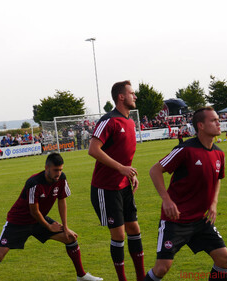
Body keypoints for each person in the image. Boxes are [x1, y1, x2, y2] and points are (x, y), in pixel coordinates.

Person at [0, 153, 102, 281]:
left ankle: (81, 276)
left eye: (60, 170)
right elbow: (34, 211)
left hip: (38, 221)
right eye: (55, 170)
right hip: (18, 221)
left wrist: (65, 227)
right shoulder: (33, 182)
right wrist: (48, 226)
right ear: (46, 168)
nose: (58, 173)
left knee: (70, 238)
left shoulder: (61, 179)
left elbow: (62, 201)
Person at [144, 107, 227, 281]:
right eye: (213, 120)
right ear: (200, 125)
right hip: (176, 220)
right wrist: (166, 200)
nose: (218, 123)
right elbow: (155, 170)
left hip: (201, 220)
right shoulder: (185, 150)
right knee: (162, 268)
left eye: (218, 119)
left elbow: (217, 179)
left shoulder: (219, 153)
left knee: (224, 259)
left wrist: (213, 203)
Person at [88, 80, 145, 281]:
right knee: (119, 235)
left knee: (134, 230)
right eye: (132, 93)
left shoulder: (130, 121)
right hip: (106, 188)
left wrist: (131, 173)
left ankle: (141, 277)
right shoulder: (109, 120)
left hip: (124, 185)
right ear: (121, 97)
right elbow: (93, 149)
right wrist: (121, 169)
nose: (135, 96)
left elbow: (123, 154)